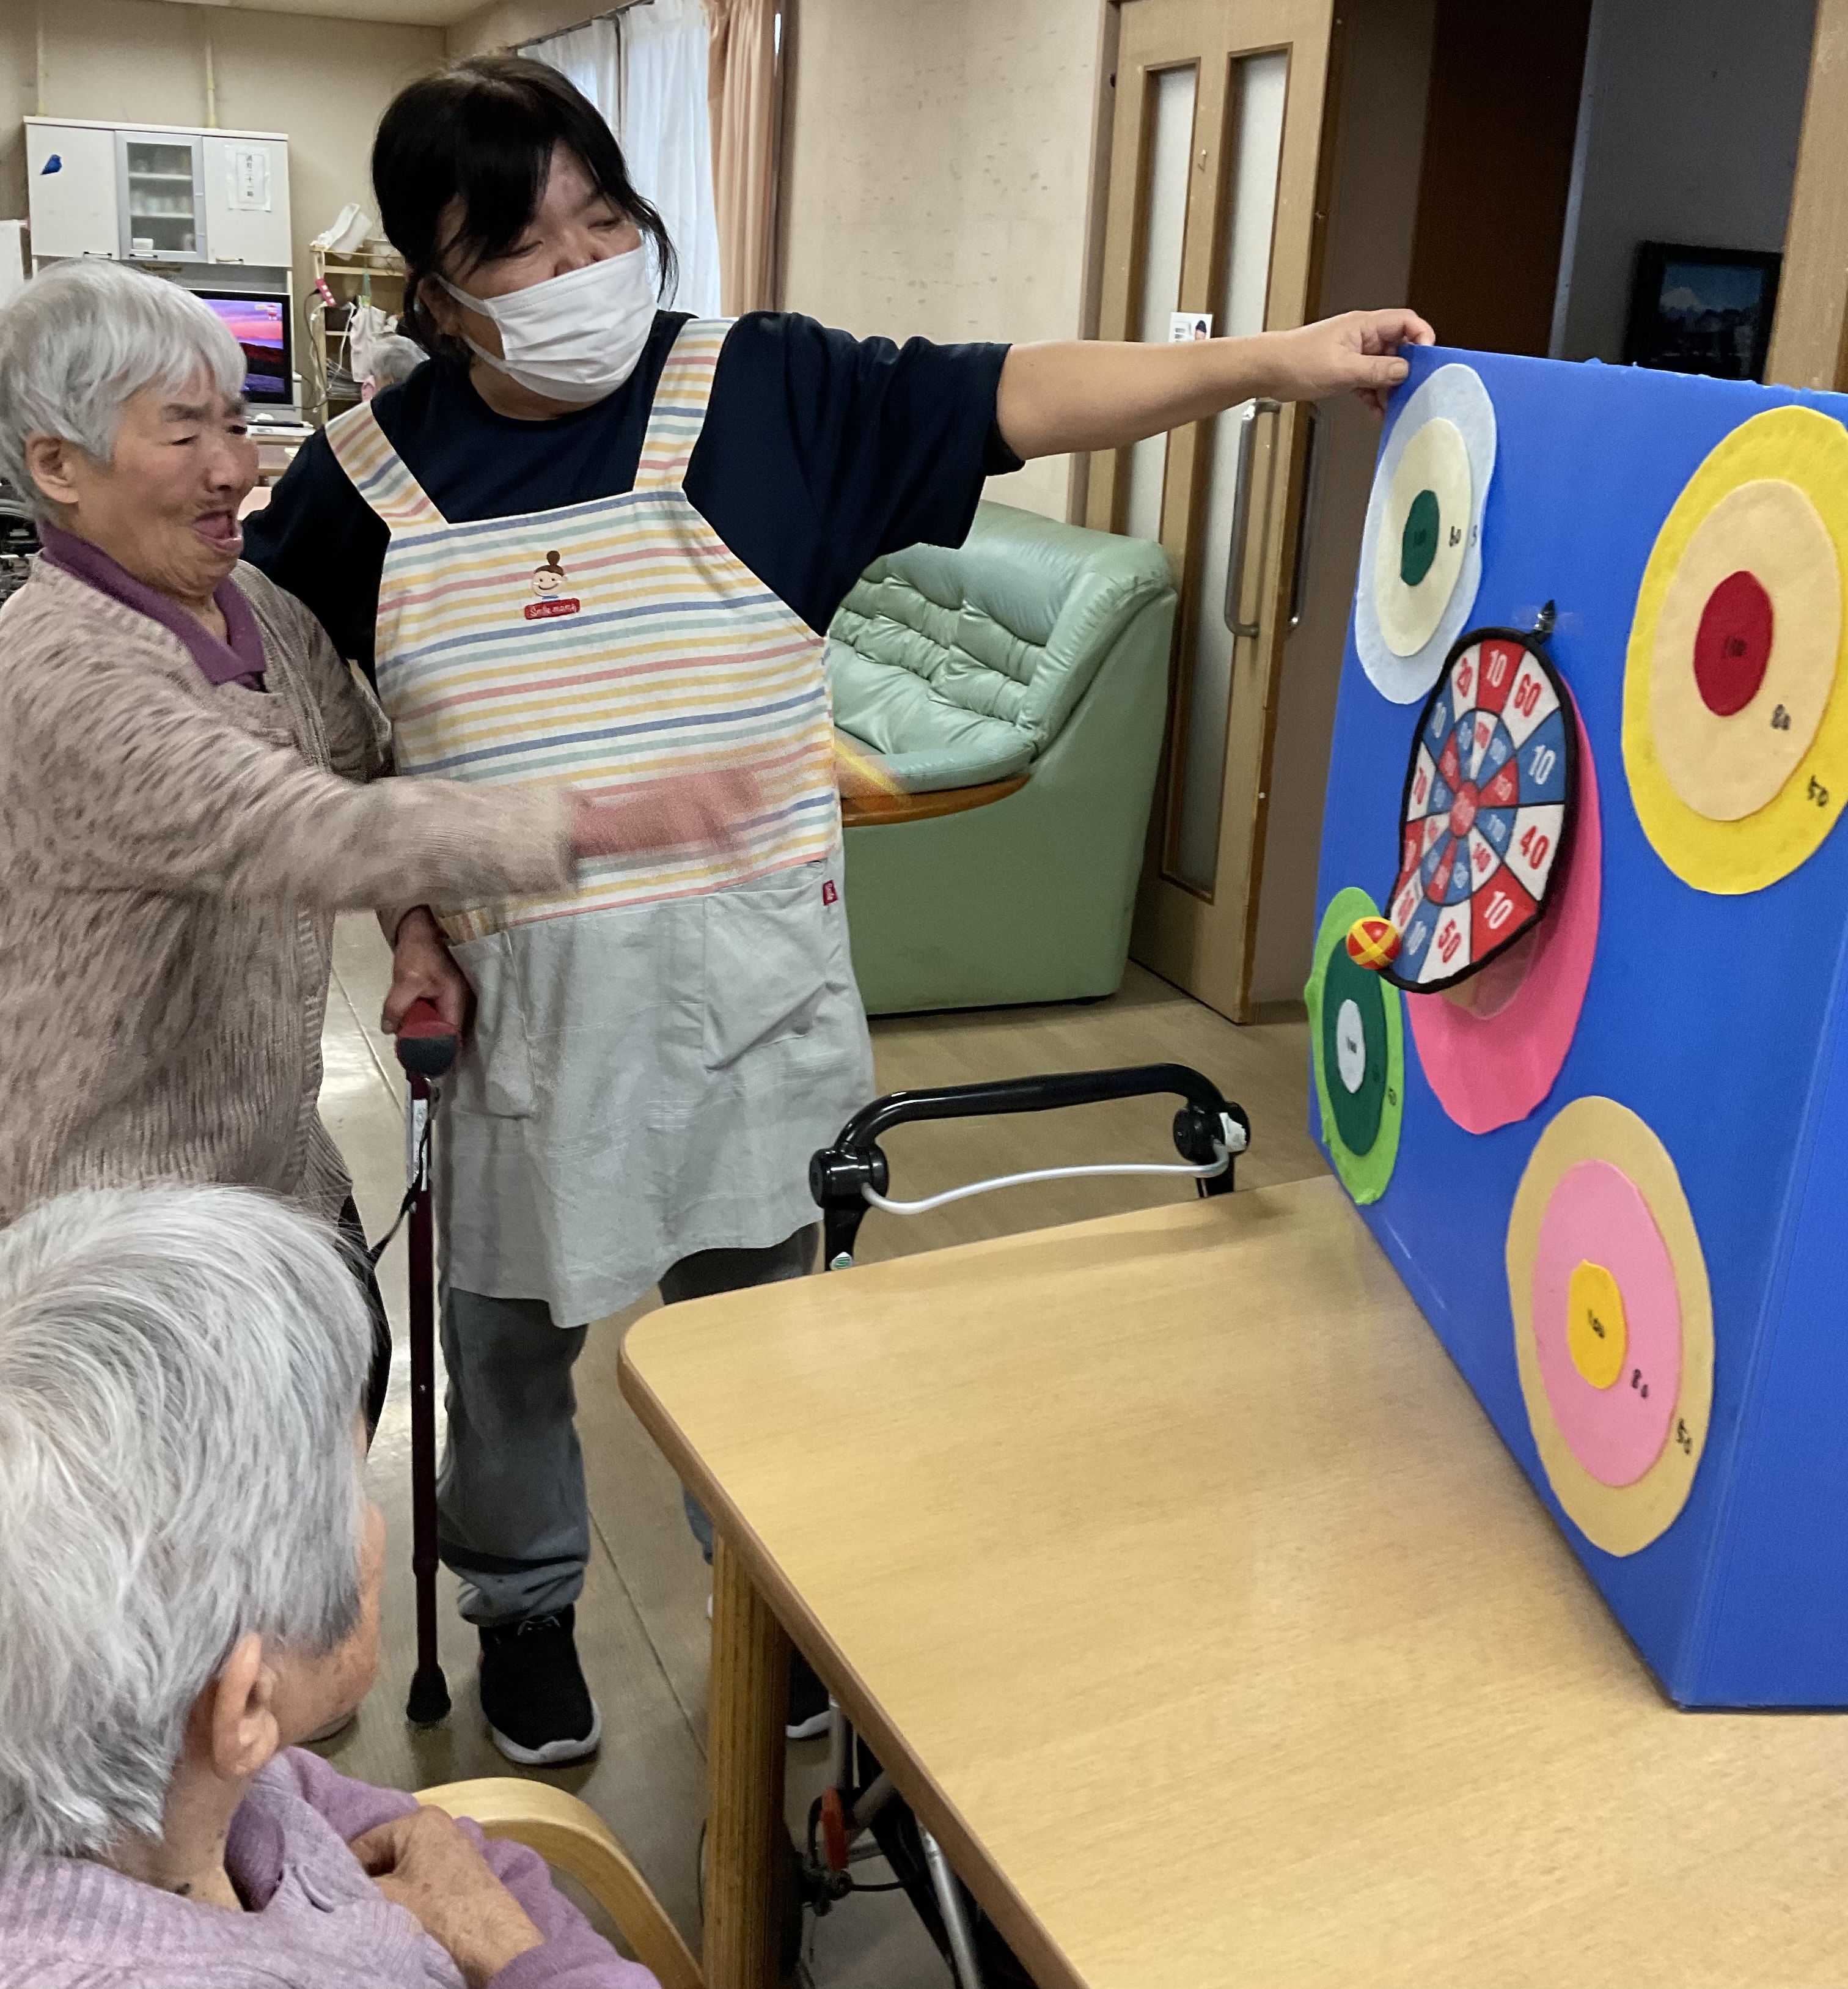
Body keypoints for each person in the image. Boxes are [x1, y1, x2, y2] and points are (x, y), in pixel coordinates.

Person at [244, 52, 1437, 1765]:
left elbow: (1020, 391)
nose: (581, 266)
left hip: (749, 992)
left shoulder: (764, 390)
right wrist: (406, 906)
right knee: (505, 1350)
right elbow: (292, 719)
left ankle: (768, 1591)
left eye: (604, 218)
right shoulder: (363, 476)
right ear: (434, 295)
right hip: (524, 1013)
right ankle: (526, 1606)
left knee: (770, 1334)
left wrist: (1269, 360)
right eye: (519, 244)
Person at [0, 260, 758, 1433]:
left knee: (348, 1392)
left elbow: (360, 765)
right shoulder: (59, 669)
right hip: (114, 1213)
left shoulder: (258, 609)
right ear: (59, 465)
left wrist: (414, 929)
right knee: (212, 1505)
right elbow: (303, 827)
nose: (235, 468)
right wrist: (601, 818)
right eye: (183, 431)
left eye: (235, 423)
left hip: (275, 1157)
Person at [0, 1181, 658, 1988]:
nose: (374, 1525)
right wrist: (535, 1959)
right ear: (247, 1701)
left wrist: (469, 1888)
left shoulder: (176, 1778)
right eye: (354, 1492)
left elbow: (316, 1809)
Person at [363, 333, 428, 401]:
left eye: (375, 377)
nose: (373, 381)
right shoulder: (428, 400)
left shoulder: (380, 406)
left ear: (390, 383)